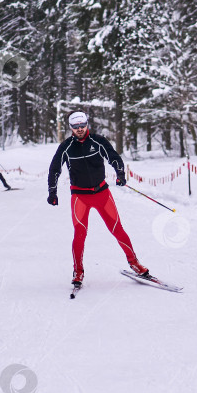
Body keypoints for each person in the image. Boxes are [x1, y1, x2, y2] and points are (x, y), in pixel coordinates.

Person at [47, 112, 148, 287]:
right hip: (80, 197)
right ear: (71, 128)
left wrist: (120, 174)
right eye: (76, 127)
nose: (79, 129)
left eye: (82, 126)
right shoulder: (66, 146)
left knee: (118, 230)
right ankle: (78, 272)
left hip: (102, 193)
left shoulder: (98, 141)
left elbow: (113, 157)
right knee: (79, 235)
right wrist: (52, 192)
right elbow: (54, 168)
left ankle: (135, 264)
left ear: (87, 124)